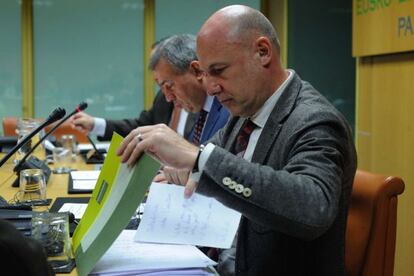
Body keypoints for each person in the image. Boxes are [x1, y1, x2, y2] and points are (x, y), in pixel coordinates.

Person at [117, 5, 356, 276]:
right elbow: (211, 166)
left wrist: (199, 160)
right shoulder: (245, 112)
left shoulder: (316, 120)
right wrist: (179, 170)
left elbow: (313, 207)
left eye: (219, 70)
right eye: (205, 74)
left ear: (262, 52)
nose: (210, 87)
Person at [148, 34, 229, 145]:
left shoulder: (231, 108)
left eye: (170, 86)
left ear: (197, 70)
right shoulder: (197, 105)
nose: (168, 98)